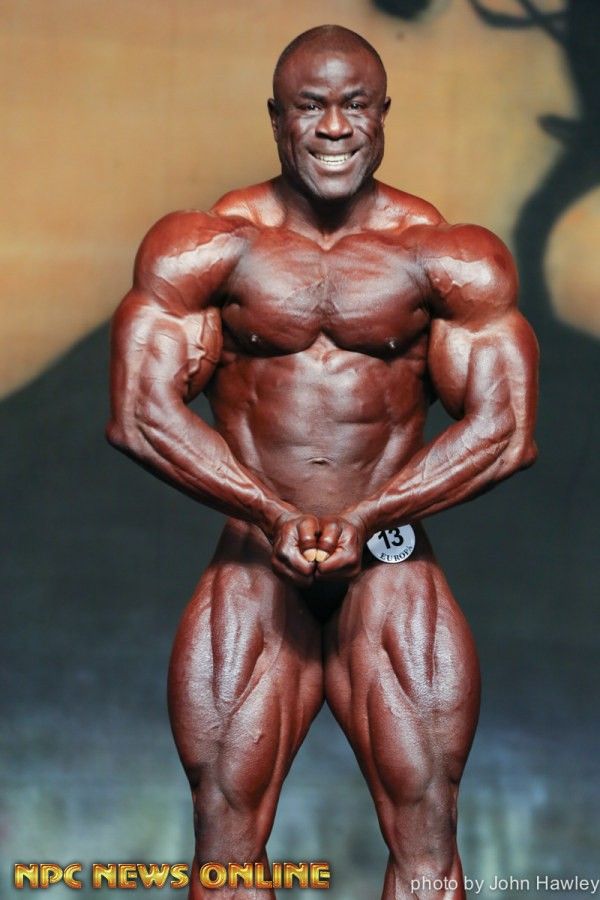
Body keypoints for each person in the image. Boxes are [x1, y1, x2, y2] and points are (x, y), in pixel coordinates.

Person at [107, 24, 538, 900]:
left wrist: (368, 517)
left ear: (383, 115)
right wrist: (273, 513)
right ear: (276, 119)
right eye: (310, 107)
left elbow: (506, 426)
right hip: (255, 558)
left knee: (427, 836)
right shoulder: (208, 244)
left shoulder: (446, 256)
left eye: (354, 106)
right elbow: (140, 413)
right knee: (225, 836)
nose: (334, 127)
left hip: (389, 558)